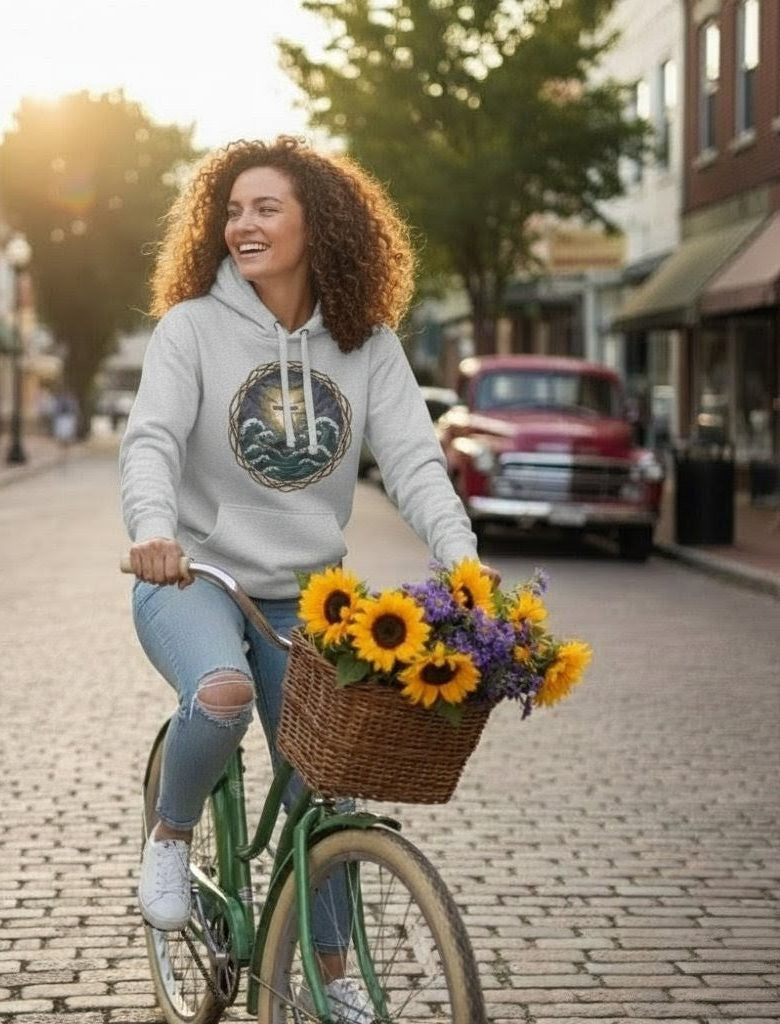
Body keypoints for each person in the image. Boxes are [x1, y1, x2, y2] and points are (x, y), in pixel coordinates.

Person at [119, 136, 497, 1014]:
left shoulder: (366, 345)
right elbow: (152, 442)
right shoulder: (192, 330)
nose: (242, 225)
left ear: (317, 224)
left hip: (308, 598)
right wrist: (152, 530)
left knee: (326, 783)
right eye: (234, 209)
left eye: (266, 208)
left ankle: (334, 986)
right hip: (195, 581)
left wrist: (465, 561)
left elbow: (413, 463)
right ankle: (172, 831)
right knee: (219, 693)